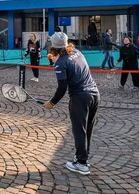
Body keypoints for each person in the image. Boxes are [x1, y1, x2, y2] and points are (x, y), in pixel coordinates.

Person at [43, 32, 100, 176]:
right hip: (94, 94)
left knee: (79, 130)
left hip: (80, 97)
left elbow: (62, 87)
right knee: (87, 129)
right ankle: (82, 156)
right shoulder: (77, 52)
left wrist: (52, 102)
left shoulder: (60, 63)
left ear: (53, 46)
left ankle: (81, 164)